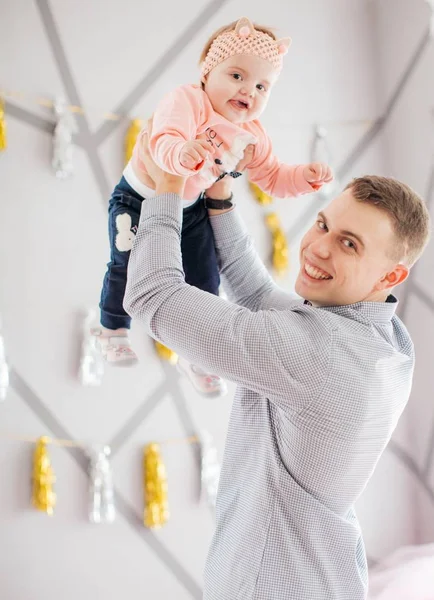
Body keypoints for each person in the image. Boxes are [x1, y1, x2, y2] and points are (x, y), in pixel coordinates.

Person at [123, 124, 431, 600]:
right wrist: (220, 197)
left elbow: (152, 296)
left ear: (391, 274)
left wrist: (167, 185)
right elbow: (259, 295)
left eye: (350, 244)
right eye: (324, 224)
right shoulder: (386, 343)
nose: (318, 247)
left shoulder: (320, 354)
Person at [94, 16, 332, 398]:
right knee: (125, 263)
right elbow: (164, 139)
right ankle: (111, 328)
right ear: (208, 71)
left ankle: (196, 355)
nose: (248, 91)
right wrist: (182, 152)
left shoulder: (252, 134)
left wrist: (303, 177)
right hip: (138, 198)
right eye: (236, 76)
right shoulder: (187, 101)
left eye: (261, 86)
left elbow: (271, 177)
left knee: (206, 281)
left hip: (192, 210)